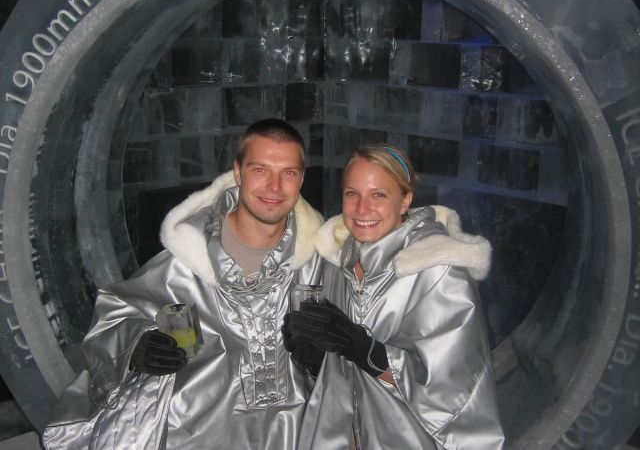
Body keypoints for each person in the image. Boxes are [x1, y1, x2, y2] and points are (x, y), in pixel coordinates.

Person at [42, 118, 324, 450]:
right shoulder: (190, 255)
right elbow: (116, 314)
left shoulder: (318, 260)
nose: (274, 187)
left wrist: (329, 356)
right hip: (197, 421)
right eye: (260, 170)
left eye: (287, 173)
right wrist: (139, 347)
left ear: (301, 178)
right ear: (238, 172)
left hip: (296, 423)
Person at [284, 143, 505, 450]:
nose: (362, 209)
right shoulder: (336, 262)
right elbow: (343, 377)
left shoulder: (438, 271)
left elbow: (457, 390)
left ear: (405, 201)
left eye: (378, 195)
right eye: (352, 194)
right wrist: (317, 361)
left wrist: (366, 351)